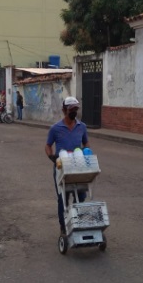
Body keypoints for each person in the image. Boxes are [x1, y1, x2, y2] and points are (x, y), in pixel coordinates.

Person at [45, 96, 90, 235]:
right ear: (64, 110)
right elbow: (48, 146)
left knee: (80, 196)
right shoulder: (55, 128)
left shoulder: (81, 126)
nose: (74, 112)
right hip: (61, 168)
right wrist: (52, 157)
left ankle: (78, 222)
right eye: (71, 109)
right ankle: (63, 226)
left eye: (76, 109)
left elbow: (86, 143)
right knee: (63, 198)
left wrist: (87, 153)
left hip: (78, 167)